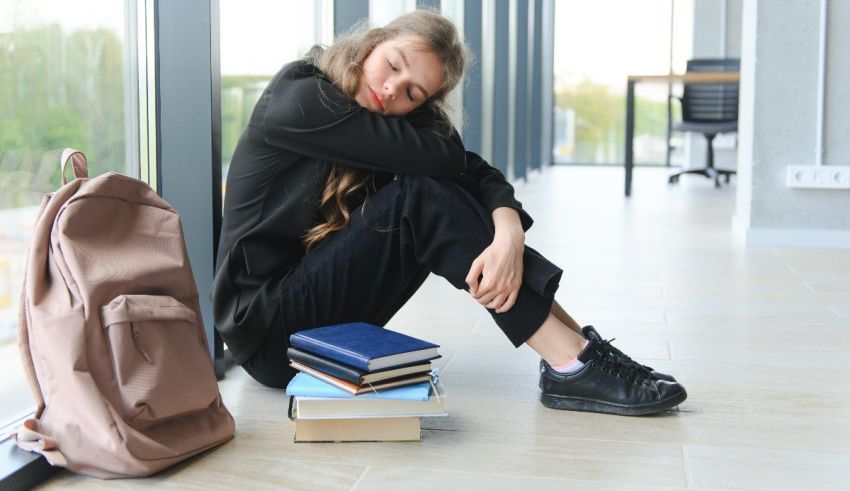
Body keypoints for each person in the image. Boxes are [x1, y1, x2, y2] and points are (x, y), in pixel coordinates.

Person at [212, 10, 686, 416]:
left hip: (319, 321)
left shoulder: (382, 121)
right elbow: (450, 161)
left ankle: (576, 348)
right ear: (372, 44)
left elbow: (472, 171)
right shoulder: (299, 96)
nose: (393, 89)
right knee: (419, 197)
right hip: (270, 336)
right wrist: (478, 194)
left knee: (430, 191)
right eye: (393, 64)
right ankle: (571, 361)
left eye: (414, 94)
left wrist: (508, 231)